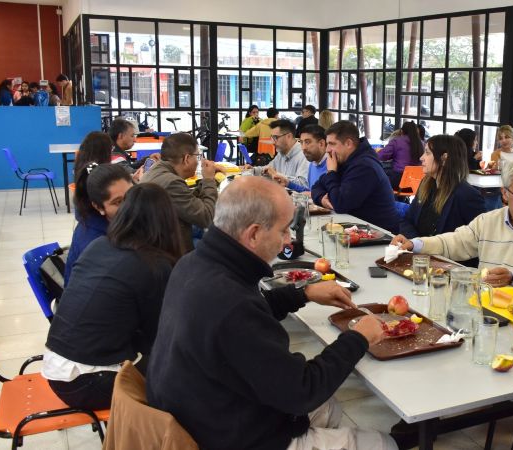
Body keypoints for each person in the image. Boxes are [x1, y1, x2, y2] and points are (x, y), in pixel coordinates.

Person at [146, 177, 397, 450]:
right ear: (253, 234)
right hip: (229, 434)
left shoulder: (193, 264)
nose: (288, 240)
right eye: (284, 230)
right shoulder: (231, 305)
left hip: (202, 407)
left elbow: (245, 318)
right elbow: (303, 391)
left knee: (330, 408)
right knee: (382, 443)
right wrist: (358, 338)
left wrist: (304, 293)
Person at [43, 183, 184, 410]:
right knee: (185, 372)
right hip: (86, 383)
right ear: (167, 222)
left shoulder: (99, 244)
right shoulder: (154, 264)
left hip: (57, 370)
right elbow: (158, 336)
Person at [392, 160, 513, 292]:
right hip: (485, 301)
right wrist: (414, 244)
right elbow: (455, 242)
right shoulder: (488, 220)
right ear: (504, 194)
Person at [63, 132, 129, 284]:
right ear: (98, 206)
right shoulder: (99, 245)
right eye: (118, 201)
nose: (130, 205)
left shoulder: (89, 220)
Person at [312, 121, 400, 233]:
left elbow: (340, 204)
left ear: (348, 143)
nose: (327, 150)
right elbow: (316, 186)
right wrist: (321, 199)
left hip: (380, 236)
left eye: (332, 144)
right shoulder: (346, 160)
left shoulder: (365, 167)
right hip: (358, 229)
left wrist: (331, 172)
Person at [141, 133, 217, 252]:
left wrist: (205, 182)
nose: (198, 161)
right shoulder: (172, 182)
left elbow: (186, 201)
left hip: (158, 237)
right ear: (186, 159)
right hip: (170, 250)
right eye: (197, 156)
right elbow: (206, 217)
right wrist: (209, 180)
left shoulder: (157, 169)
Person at [400, 134, 484, 239]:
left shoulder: (467, 195)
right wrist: (417, 244)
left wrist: (422, 246)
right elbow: (407, 220)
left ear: (444, 158)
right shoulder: (426, 185)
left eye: (427, 153)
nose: (421, 158)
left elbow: (479, 238)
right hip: (419, 253)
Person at [272, 124, 328, 193]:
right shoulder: (312, 164)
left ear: (321, 144)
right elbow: (311, 193)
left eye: (307, 142)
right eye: (301, 142)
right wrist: (288, 183)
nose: (303, 148)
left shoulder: (332, 167)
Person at [257, 119, 310, 189]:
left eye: (276, 137)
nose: (272, 142)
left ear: (289, 136)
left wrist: (276, 174)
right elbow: (268, 169)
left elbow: (303, 184)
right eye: (272, 137)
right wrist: (252, 170)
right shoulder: (281, 153)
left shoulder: (304, 155)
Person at [378, 121, 424, 189]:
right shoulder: (423, 144)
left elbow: (381, 156)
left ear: (402, 131)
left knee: (377, 172)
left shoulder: (397, 141)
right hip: (416, 183)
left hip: (398, 181)